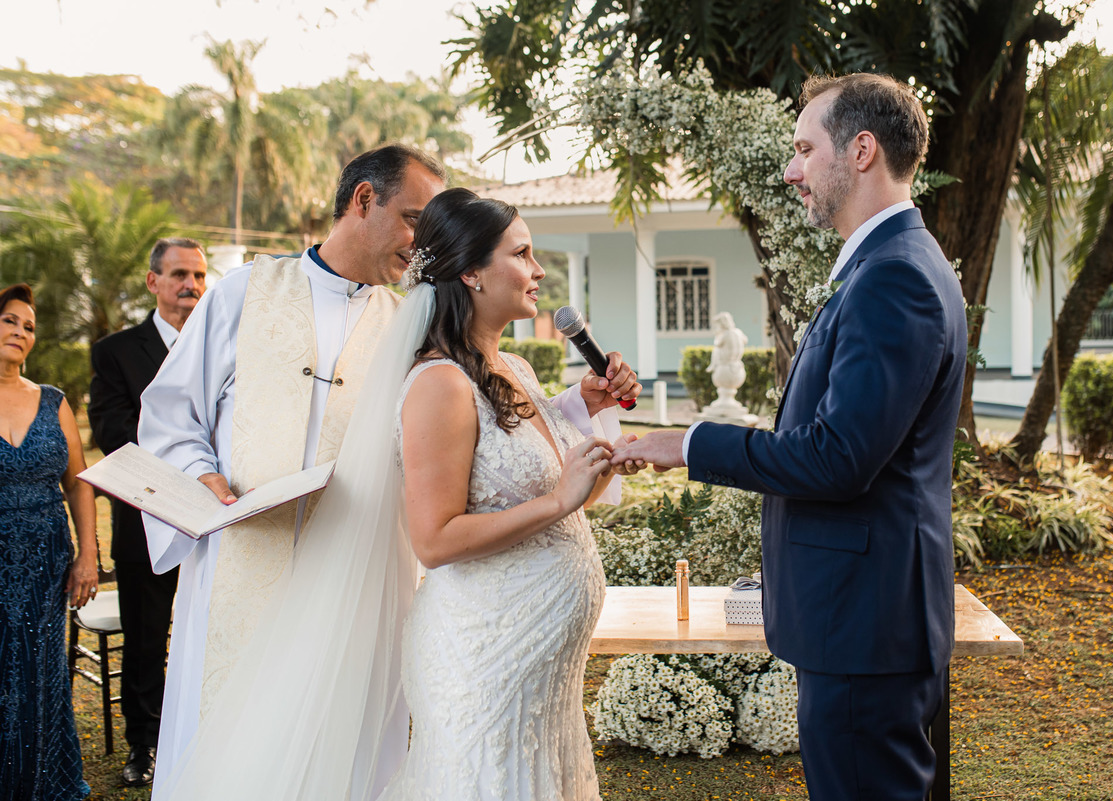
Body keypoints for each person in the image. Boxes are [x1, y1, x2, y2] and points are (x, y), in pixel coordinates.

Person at [139, 145, 640, 797]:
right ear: (363, 200)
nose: (420, 239)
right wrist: (207, 484)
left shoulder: (408, 320)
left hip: (365, 568)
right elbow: (170, 417)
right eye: (412, 218)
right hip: (246, 551)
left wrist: (579, 406)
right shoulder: (244, 294)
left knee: (347, 746)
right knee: (237, 735)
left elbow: (487, 429)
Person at [613, 73, 968, 801]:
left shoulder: (892, 278)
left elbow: (838, 459)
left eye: (805, 148)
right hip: (870, 621)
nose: (791, 169)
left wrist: (691, 443)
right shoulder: (892, 264)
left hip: (864, 629)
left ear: (861, 150)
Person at [87, 237, 207, 786]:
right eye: (180, 274)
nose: (192, 285)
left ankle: (204, 735)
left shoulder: (220, 343)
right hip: (145, 517)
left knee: (209, 629)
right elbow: (112, 431)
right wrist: (183, 447)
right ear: (152, 281)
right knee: (146, 638)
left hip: (214, 516)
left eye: (199, 275)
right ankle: (145, 746)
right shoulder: (116, 351)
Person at [0, 282, 98, 800]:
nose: (20, 332)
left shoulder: (52, 401)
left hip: (46, 557)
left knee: (41, 669)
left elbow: (79, 481)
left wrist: (88, 553)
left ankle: (42, 782)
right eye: (10, 320)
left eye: (29, 326)